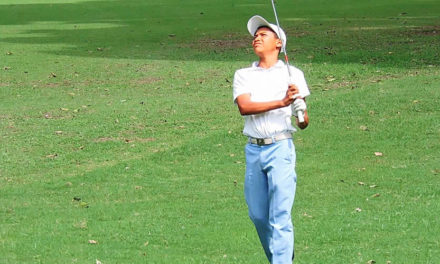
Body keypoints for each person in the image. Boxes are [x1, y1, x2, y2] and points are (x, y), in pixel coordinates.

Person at [232, 15, 310, 264]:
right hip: (254, 149)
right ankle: (283, 253)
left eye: (263, 35)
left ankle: (282, 259)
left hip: (281, 147)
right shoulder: (244, 74)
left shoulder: (293, 74)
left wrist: (299, 109)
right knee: (258, 215)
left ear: (278, 43)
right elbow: (245, 107)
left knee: (280, 215)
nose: (257, 37)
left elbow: (304, 121)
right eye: (255, 35)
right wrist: (282, 102)